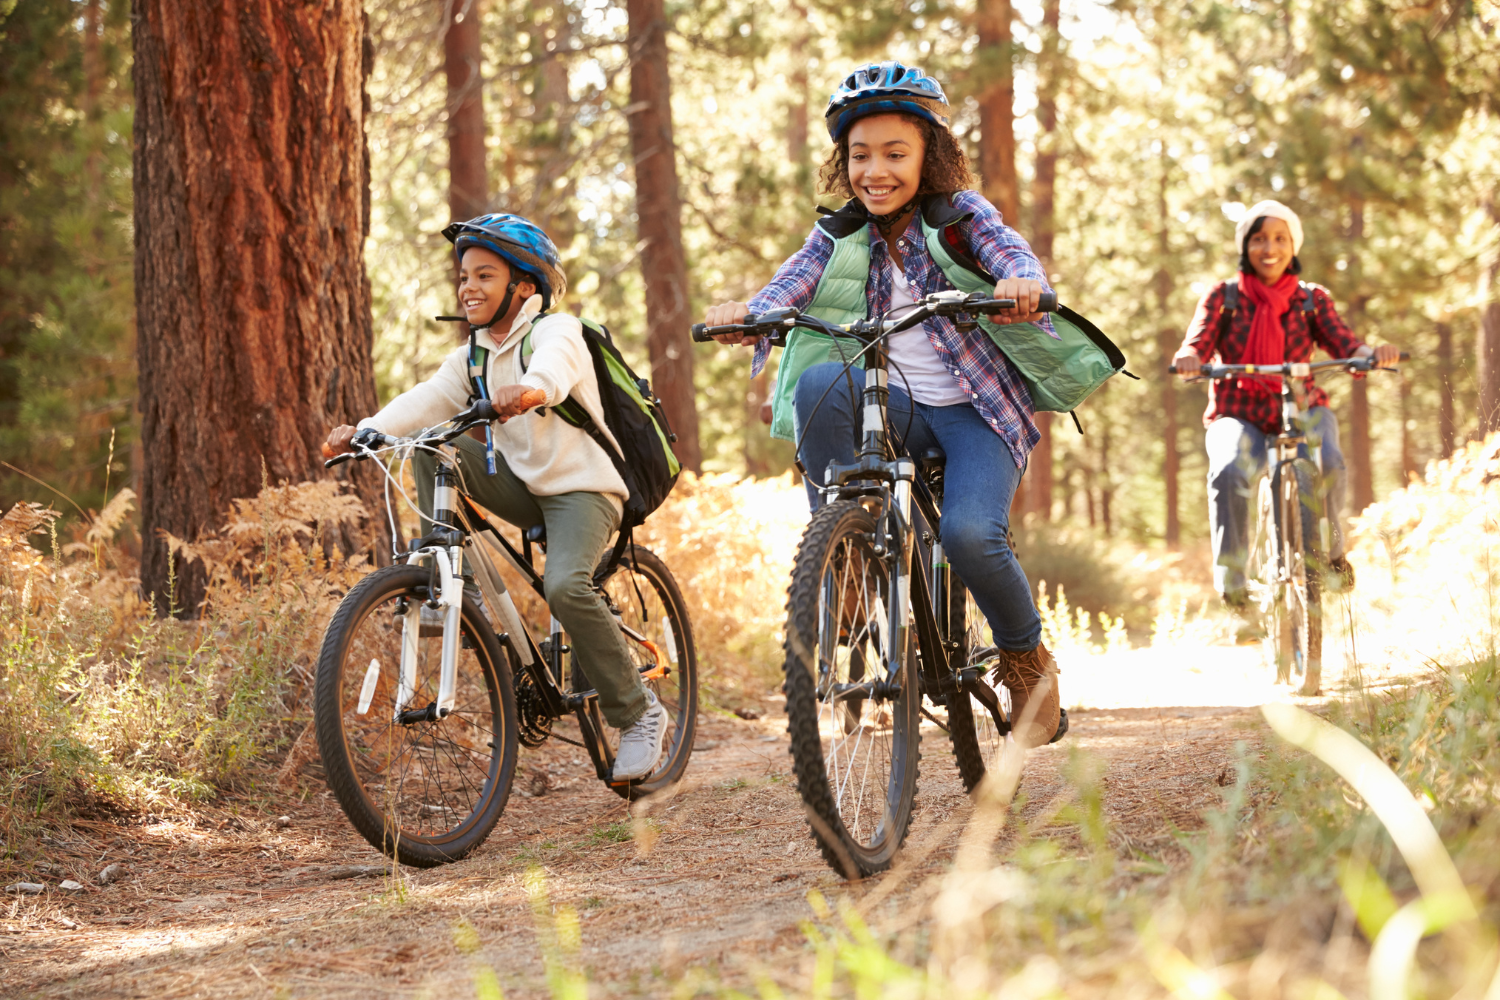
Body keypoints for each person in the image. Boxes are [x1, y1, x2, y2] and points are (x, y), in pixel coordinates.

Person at [702, 61, 1064, 749]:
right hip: (890, 406)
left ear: (929, 156)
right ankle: (851, 556)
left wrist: (1019, 281)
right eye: (860, 154)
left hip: (974, 414)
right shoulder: (838, 235)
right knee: (815, 386)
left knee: (968, 536)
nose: (876, 170)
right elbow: (791, 286)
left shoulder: (961, 215)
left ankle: (1026, 662)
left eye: (895, 154)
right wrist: (749, 314)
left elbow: (1009, 251)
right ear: (844, 161)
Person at [324, 214, 667, 781]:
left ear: (524, 286)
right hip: (525, 487)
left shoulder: (559, 332)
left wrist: (531, 390)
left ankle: (637, 714)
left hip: (584, 489)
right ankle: (444, 568)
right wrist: (367, 429)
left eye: (485, 275)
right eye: (463, 276)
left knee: (563, 585)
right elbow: (428, 398)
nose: (468, 287)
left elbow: (554, 373)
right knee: (432, 443)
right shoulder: (472, 358)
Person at [1172, 200, 1400, 623]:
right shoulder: (1224, 298)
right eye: (1259, 239)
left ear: (1293, 246)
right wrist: (1189, 357)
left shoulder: (1311, 300)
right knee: (1229, 471)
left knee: (1328, 460)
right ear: (1246, 246)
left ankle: (1331, 556)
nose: (1269, 248)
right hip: (1238, 410)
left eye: (1280, 238)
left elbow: (1345, 344)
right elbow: (1198, 343)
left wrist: (1371, 355)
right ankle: (1235, 582)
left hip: (1302, 407)